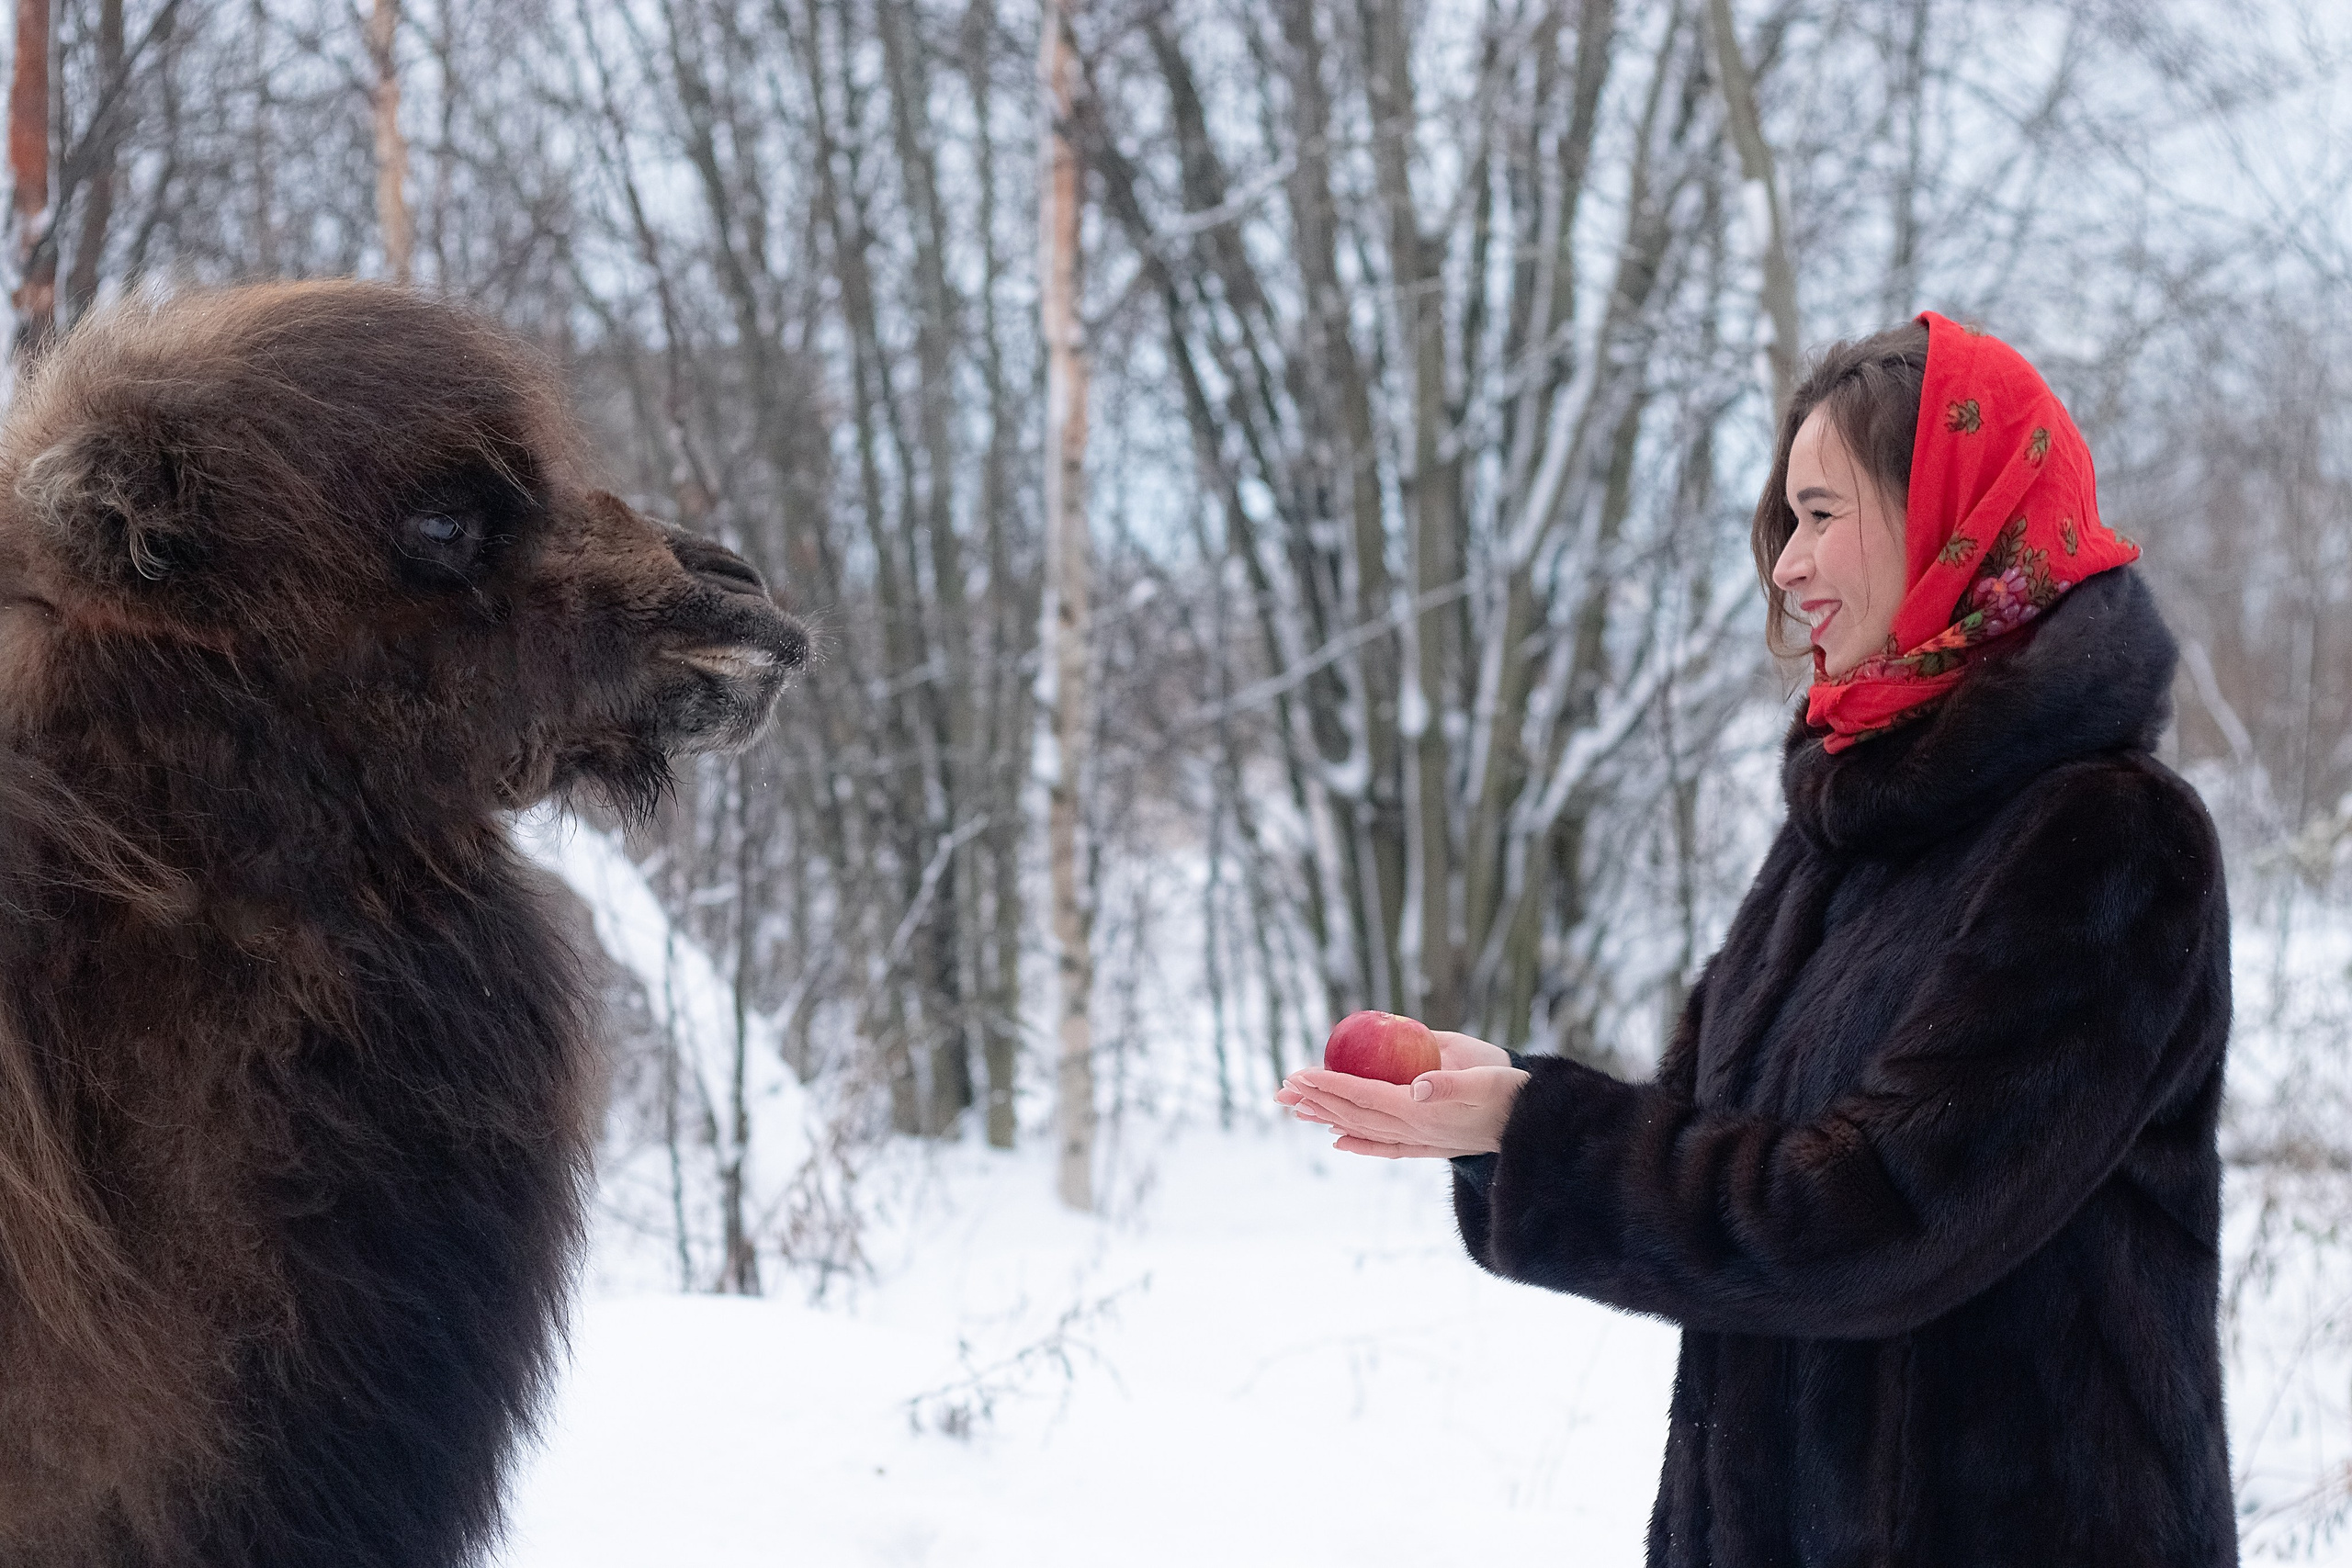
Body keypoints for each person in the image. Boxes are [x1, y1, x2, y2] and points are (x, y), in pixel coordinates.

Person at [1277, 313, 2234, 1565]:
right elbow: (1711, 1147)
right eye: (1786, 521)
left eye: (1824, 512)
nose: (1785, 565)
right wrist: (1491, 1116)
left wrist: (1540, 1130)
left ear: (1953, 511)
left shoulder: (2108, 840)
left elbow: (1880, 1218)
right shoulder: (1850, 823)